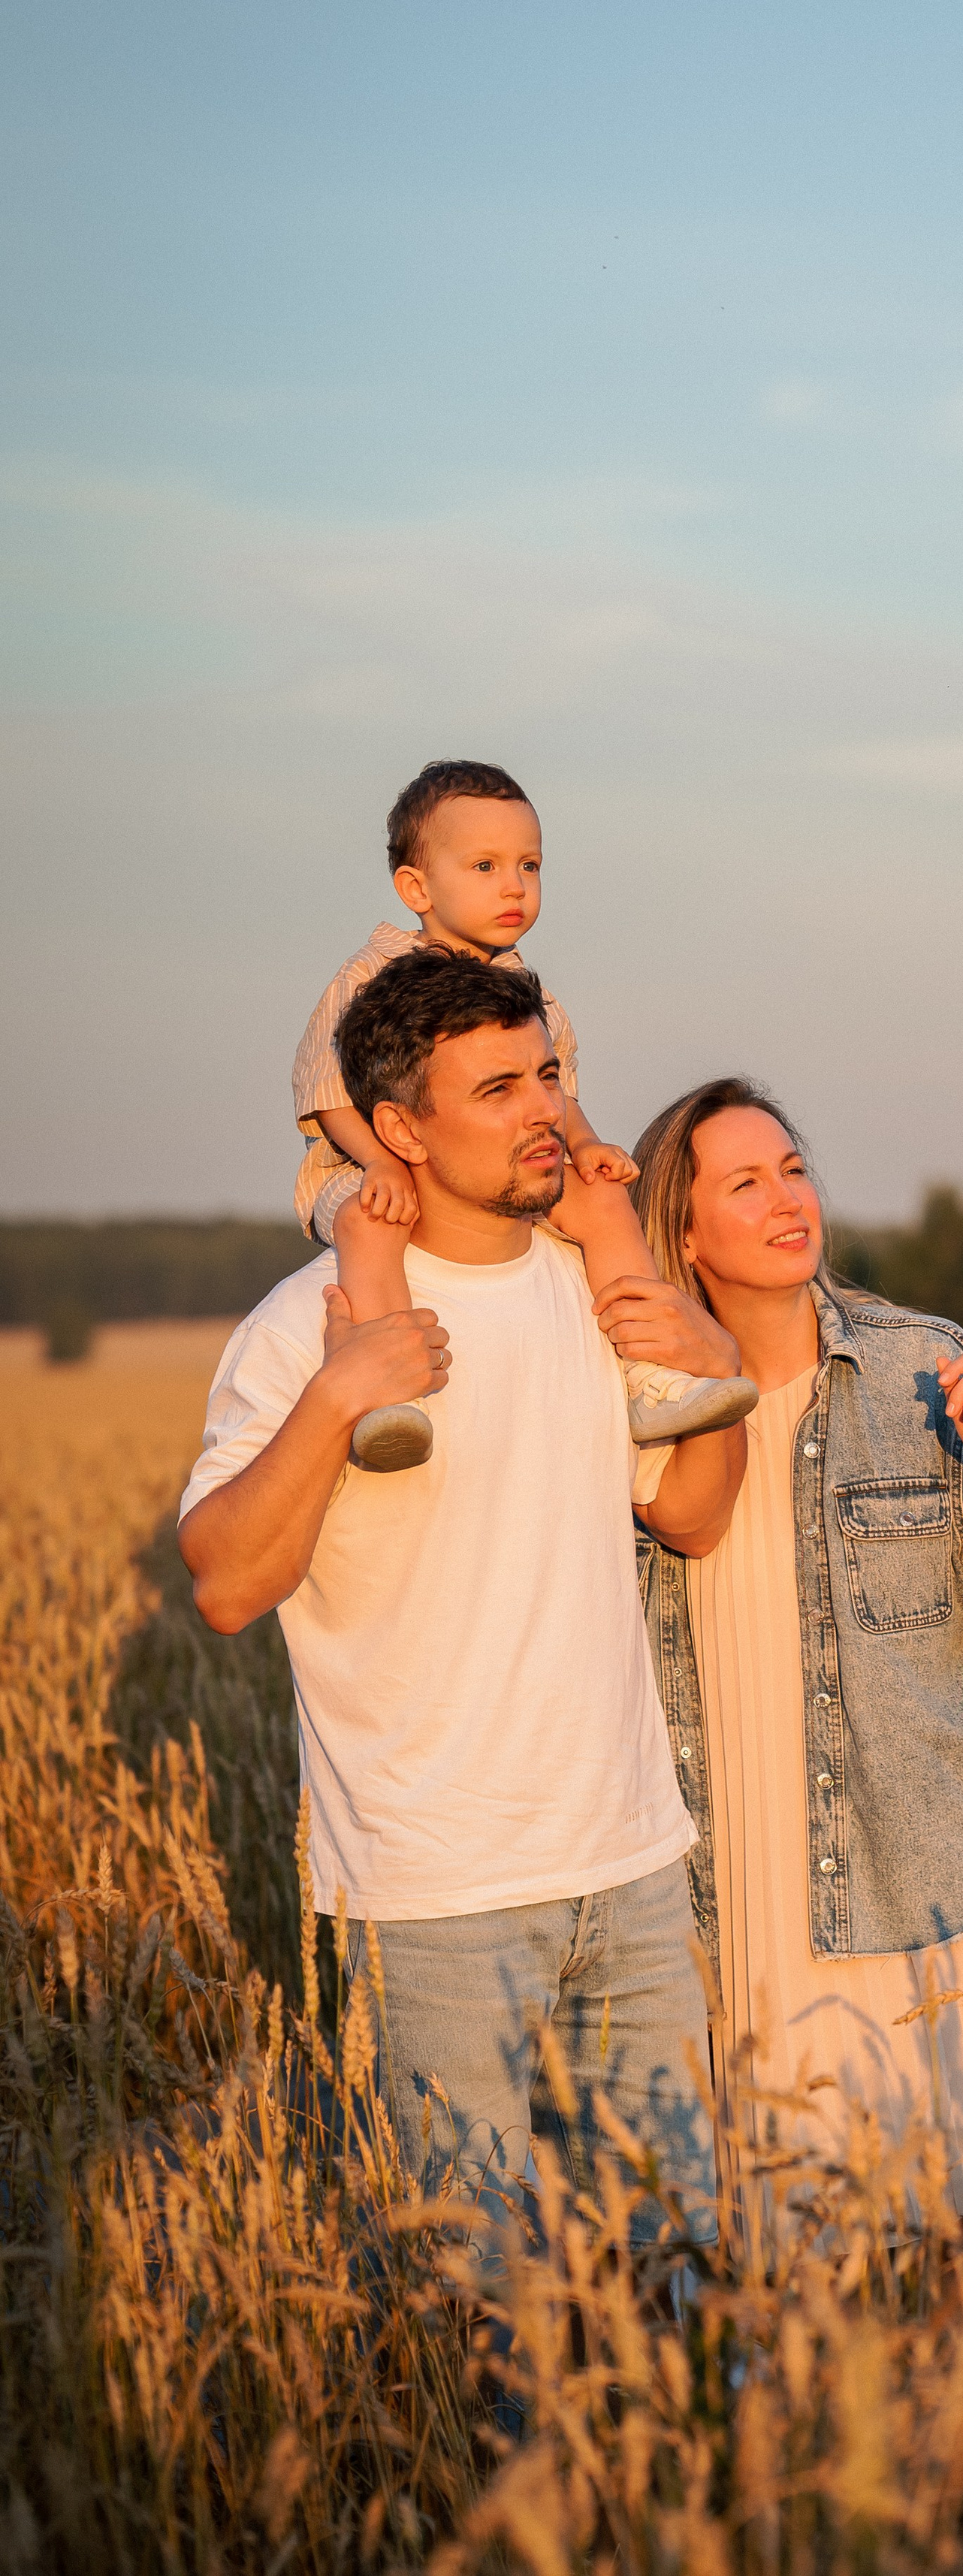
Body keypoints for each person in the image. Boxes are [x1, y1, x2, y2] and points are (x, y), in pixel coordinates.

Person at [180, 952, 748, 2243]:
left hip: (636, 1866)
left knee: (675, 2271)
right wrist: (338, 1397)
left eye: (547, 1073)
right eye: (496, 1088)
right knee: (470, 2302)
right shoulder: (302, 1325)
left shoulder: (596, 1297)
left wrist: (720, 1375)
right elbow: (226, 1584)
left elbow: (696, 1517)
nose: (544, 1108)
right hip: (435, 1893)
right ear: (399, 1131)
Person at [605, 1077, 963, 2256]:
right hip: (746, 1874)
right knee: (790, 2236)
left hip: (937, 1872)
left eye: (792, 1167)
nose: (787, 1198)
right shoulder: (637, 1403)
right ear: (682, 1230)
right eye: (744, 1181)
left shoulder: (923, 1368)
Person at [291, 756, 756, 1469]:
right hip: (366, 1164)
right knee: (371, 1221)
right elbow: (323, 1091)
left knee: (602, 1199)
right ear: (416, 886)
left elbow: (556, 1089)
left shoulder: (526, 991)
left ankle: (653, 1371)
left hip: (493, 1171)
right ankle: (390, 1396)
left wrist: (588, 1141)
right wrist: (383, 1161)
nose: (514, 885)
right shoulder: (369, 978)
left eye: (530, 866)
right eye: (484, 866)